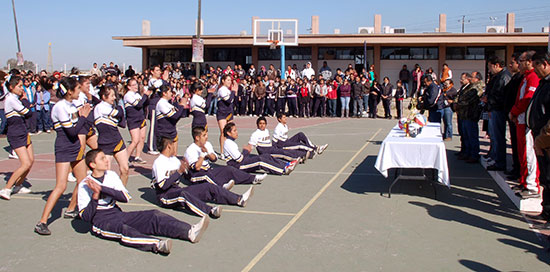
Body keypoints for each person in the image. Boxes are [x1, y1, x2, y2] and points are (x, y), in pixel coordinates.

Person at [78, 149, 209, 254]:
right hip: (102, 222)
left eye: (105, 157)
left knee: (153, 215)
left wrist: (102, 189)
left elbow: (124, 197)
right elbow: (85, 216)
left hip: (118, 214)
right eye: (102, 159)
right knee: (124, 230)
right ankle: (157, 244)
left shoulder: (111, 175)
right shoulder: (84, 184)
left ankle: (189, 231)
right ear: (92, 164)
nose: (107, 160)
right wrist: (95, 195)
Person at [35, 77, 92, 235]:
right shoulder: (60, 107)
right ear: (69, 91)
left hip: (74, 146)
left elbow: (77, 126)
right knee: (61, 186)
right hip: (64, 147)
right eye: (77, 89)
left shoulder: (71, 104)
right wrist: (83, 117)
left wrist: (83, 115)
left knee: (83, 180)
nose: (79, 91)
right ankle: (42, 221)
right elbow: (72, 131)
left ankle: (71, 209)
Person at [154, 136, 256, 219]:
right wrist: (178, 172)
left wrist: (186, 167)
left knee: (208, 186)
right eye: (172, 144)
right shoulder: (159, 163)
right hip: (165, 197)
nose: (174, 146)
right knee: (183, 195)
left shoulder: (174, 160)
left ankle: (238, 199)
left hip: (177, 189)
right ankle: (210, 210)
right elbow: (162, 186)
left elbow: (185, 174)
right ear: (168, 146)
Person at [185, 127, 265, 187]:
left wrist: (208, 154)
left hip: (208, 171)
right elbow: (197, 168)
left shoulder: (207, 144)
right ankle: (222, 186)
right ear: (197, 137)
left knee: (228, 169)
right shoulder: (191, 150)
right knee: (207, 177)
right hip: (197, 175)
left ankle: (253, 178)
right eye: (204, 135)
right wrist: (202, 155)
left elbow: (214, 159)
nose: (207, 137)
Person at [510, 51, 540, 199]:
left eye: (521, 61)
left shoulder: (533, 78)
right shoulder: (525, 78)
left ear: (529, 62)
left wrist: (515, 111)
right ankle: (523, 180)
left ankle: (532, 184)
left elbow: (527, 98)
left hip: (526, 121)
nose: (518, 64)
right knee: (522, 152)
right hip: (520, 120)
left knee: (528, 153)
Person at [525, 52, 550, 229]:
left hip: (546, 139)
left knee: (549, 178)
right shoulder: (544, 83)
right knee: (547, 180)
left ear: (545, 64)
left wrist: (541, 140)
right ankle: (546, 211)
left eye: (537, 66)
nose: (535, 70)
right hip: (540, 137)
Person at [0, 75, 34, 200]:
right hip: (16, 133)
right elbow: (28, 113)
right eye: (19, 86)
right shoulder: (11, 99)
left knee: (31, 161)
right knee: (25, 163)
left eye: (22, 86)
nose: (22, 89)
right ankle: (7, 188)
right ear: (11, 87)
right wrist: (25, 100)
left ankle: (18, 185)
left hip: (23, 131)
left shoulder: (15, 98)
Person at [223, 122, 297, 175]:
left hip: (241, 162)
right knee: (260, 161)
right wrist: (246, 151)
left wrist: (246, 151)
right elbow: (239, 159)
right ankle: (282, 169)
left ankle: (285, 164)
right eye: (234, 131)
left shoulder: (231, 142)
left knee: (265, 156)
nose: (237, 132)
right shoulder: (228, 143)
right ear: (229, 133)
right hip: (237, 167)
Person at [94, 85, 130, 186]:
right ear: (104, 97)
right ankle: (106, 197)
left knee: (125, 169)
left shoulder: (112, 107)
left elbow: (122, 124)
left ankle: (121, 191)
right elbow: (119, 114)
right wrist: (120, 110)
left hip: (117, 141)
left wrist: (120, 111)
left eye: (115, 96)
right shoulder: (100, 107)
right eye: (112, 96)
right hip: (105, 144)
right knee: (106, 174)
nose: (114, 98)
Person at [484, 56, 511, 171]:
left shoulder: (503, 77)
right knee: (494, 136)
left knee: (498, 137)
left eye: (490, 67)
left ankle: (500, 162)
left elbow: (499, 95)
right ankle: (495, 157)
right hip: (493, 108)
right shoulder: (497, 77)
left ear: (496, 65)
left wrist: (489, 99)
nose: (489, 69)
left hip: (498, 109)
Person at [456, 73, 483, 164]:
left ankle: (474, 154)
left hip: (471, 114)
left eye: (472, 77)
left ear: (477, 79)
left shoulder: (478, 87)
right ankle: (467, 152)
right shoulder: (469, 87)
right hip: (464, 114)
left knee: (472, 136)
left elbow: (468, 100)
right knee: (466, 135)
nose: (470, 79)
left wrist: (458, 104)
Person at [503, 53, 523, 180]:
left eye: (513, 63)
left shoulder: (523, 78)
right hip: (512, 115)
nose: (510, 65)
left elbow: (524, 99)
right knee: (516, 144)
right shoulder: (515, 78)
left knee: (520, 146)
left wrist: (514, 112)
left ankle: (519, 170)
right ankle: (516, 167)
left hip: (518, 116)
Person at [124, 78, 150, 164]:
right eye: (133, 85)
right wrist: (145, 96)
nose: (136, 86)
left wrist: (148, 96)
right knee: (135, 140)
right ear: (128, 87)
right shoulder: (128, 95)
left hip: (141, 118)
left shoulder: (137, 95)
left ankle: (137, 156)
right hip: (133, 120)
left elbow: (144, 104)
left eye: (136, 84)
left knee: (142, 138)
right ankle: (125, 158)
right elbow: (138, 105)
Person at [156, 84, 186, 152]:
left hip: (172, 131)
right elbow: (174, 116)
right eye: (169, 91)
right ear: (164, 93)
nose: (171, 93)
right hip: (165, 133)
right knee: (166, 154)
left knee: (173, 154)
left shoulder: (168, 103)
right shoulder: (161, 103)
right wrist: (181, 106)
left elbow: (177, 116)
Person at [217, 75, 234, 154]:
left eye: (230, 80)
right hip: (222, 112)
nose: (229, 82)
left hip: (229, 112)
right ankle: (222, 152)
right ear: (223, 81)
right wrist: (234, 92)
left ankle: (229, 150)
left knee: (231, 131)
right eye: (228, 80)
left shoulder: (228, 90)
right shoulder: (222, 90)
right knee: (223, 132)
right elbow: (228, 100)